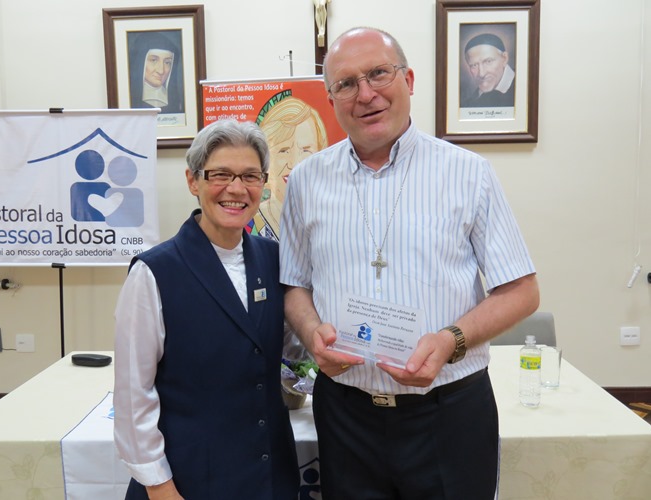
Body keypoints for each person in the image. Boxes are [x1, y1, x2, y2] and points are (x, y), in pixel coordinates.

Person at [280, 27, 539, 499]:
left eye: (379, 73)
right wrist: (311, 332)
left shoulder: (468, 173)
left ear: (409, 80)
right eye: (346, 83)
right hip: (345, 415)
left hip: (449, 413)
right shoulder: (305, 181)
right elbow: (294, 285)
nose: (366, 94)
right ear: (331, 99)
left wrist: (450, 341)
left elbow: (521, 291)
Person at [114, 119, 299, 499]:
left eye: (250, 176)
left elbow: (290, 346)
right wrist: (159, 485)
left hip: (269, 471)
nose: (236, 189)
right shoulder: (155, 272)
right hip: (189, 478)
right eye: (221, 174)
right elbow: (134, 395)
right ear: (193, 181)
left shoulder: (275, 259)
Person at [254, 96, 328, 241]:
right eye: (284, 150)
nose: (294, 163)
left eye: (306, 150)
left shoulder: (333, 218)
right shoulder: (246, 222)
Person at [128, 30, 185, 114]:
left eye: (167, 62)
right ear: (141, 62)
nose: (161, 71)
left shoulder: (176, 104)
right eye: (154, 60)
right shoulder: (130, 99)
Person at [462, 33, 516, 108]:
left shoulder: (523, 89)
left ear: (504, 59)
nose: (481, 74)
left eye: (488, 61)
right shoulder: (468, 103)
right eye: (474, 65)